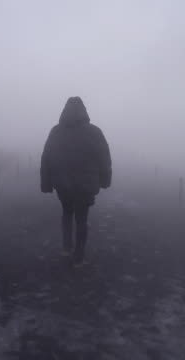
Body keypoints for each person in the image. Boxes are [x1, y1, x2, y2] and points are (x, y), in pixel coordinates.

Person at [40, 96, 112, 266]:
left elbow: (46, 158)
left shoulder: (56, 131)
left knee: (66, 214)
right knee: (82, 218)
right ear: (84, 111)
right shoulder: (94, 132)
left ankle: (66, 248)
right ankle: (79, 255)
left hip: (62, 184)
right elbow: (104, 158)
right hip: (85, 185)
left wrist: (46, 183)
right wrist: (105, 180)